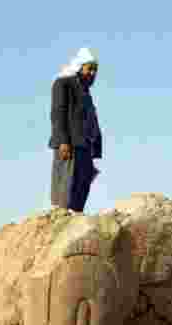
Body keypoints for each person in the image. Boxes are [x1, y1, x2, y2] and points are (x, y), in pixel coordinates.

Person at [49, 47, 103, 213]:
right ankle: (61, 217)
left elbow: (91, 118)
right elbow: (58, 113)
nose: (93, 73)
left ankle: (76, 216)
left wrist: (96, 147)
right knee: (66, 184)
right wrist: (63, 142)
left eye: (95, 70)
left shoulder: (86, 92)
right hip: (69, 144)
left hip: (86, 145)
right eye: (90, 68)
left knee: (83, 183)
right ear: (80, 67)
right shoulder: (63, 83)